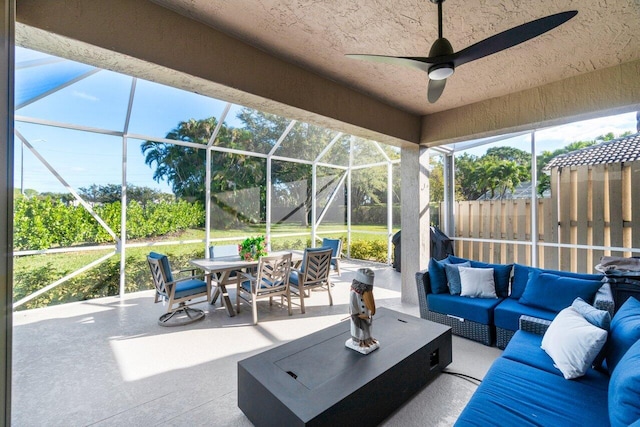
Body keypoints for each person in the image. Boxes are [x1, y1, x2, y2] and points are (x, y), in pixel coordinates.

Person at [345, 268, 379, 354]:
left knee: (367, 330)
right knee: (359, 332)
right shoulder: (354, 293)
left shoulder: (366, 294)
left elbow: (370, 306)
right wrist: (356, 315)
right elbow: (352, 307)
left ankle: (368, 341)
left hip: (366, 316)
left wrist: (369, 314)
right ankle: (359, 342)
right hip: (359, 318)